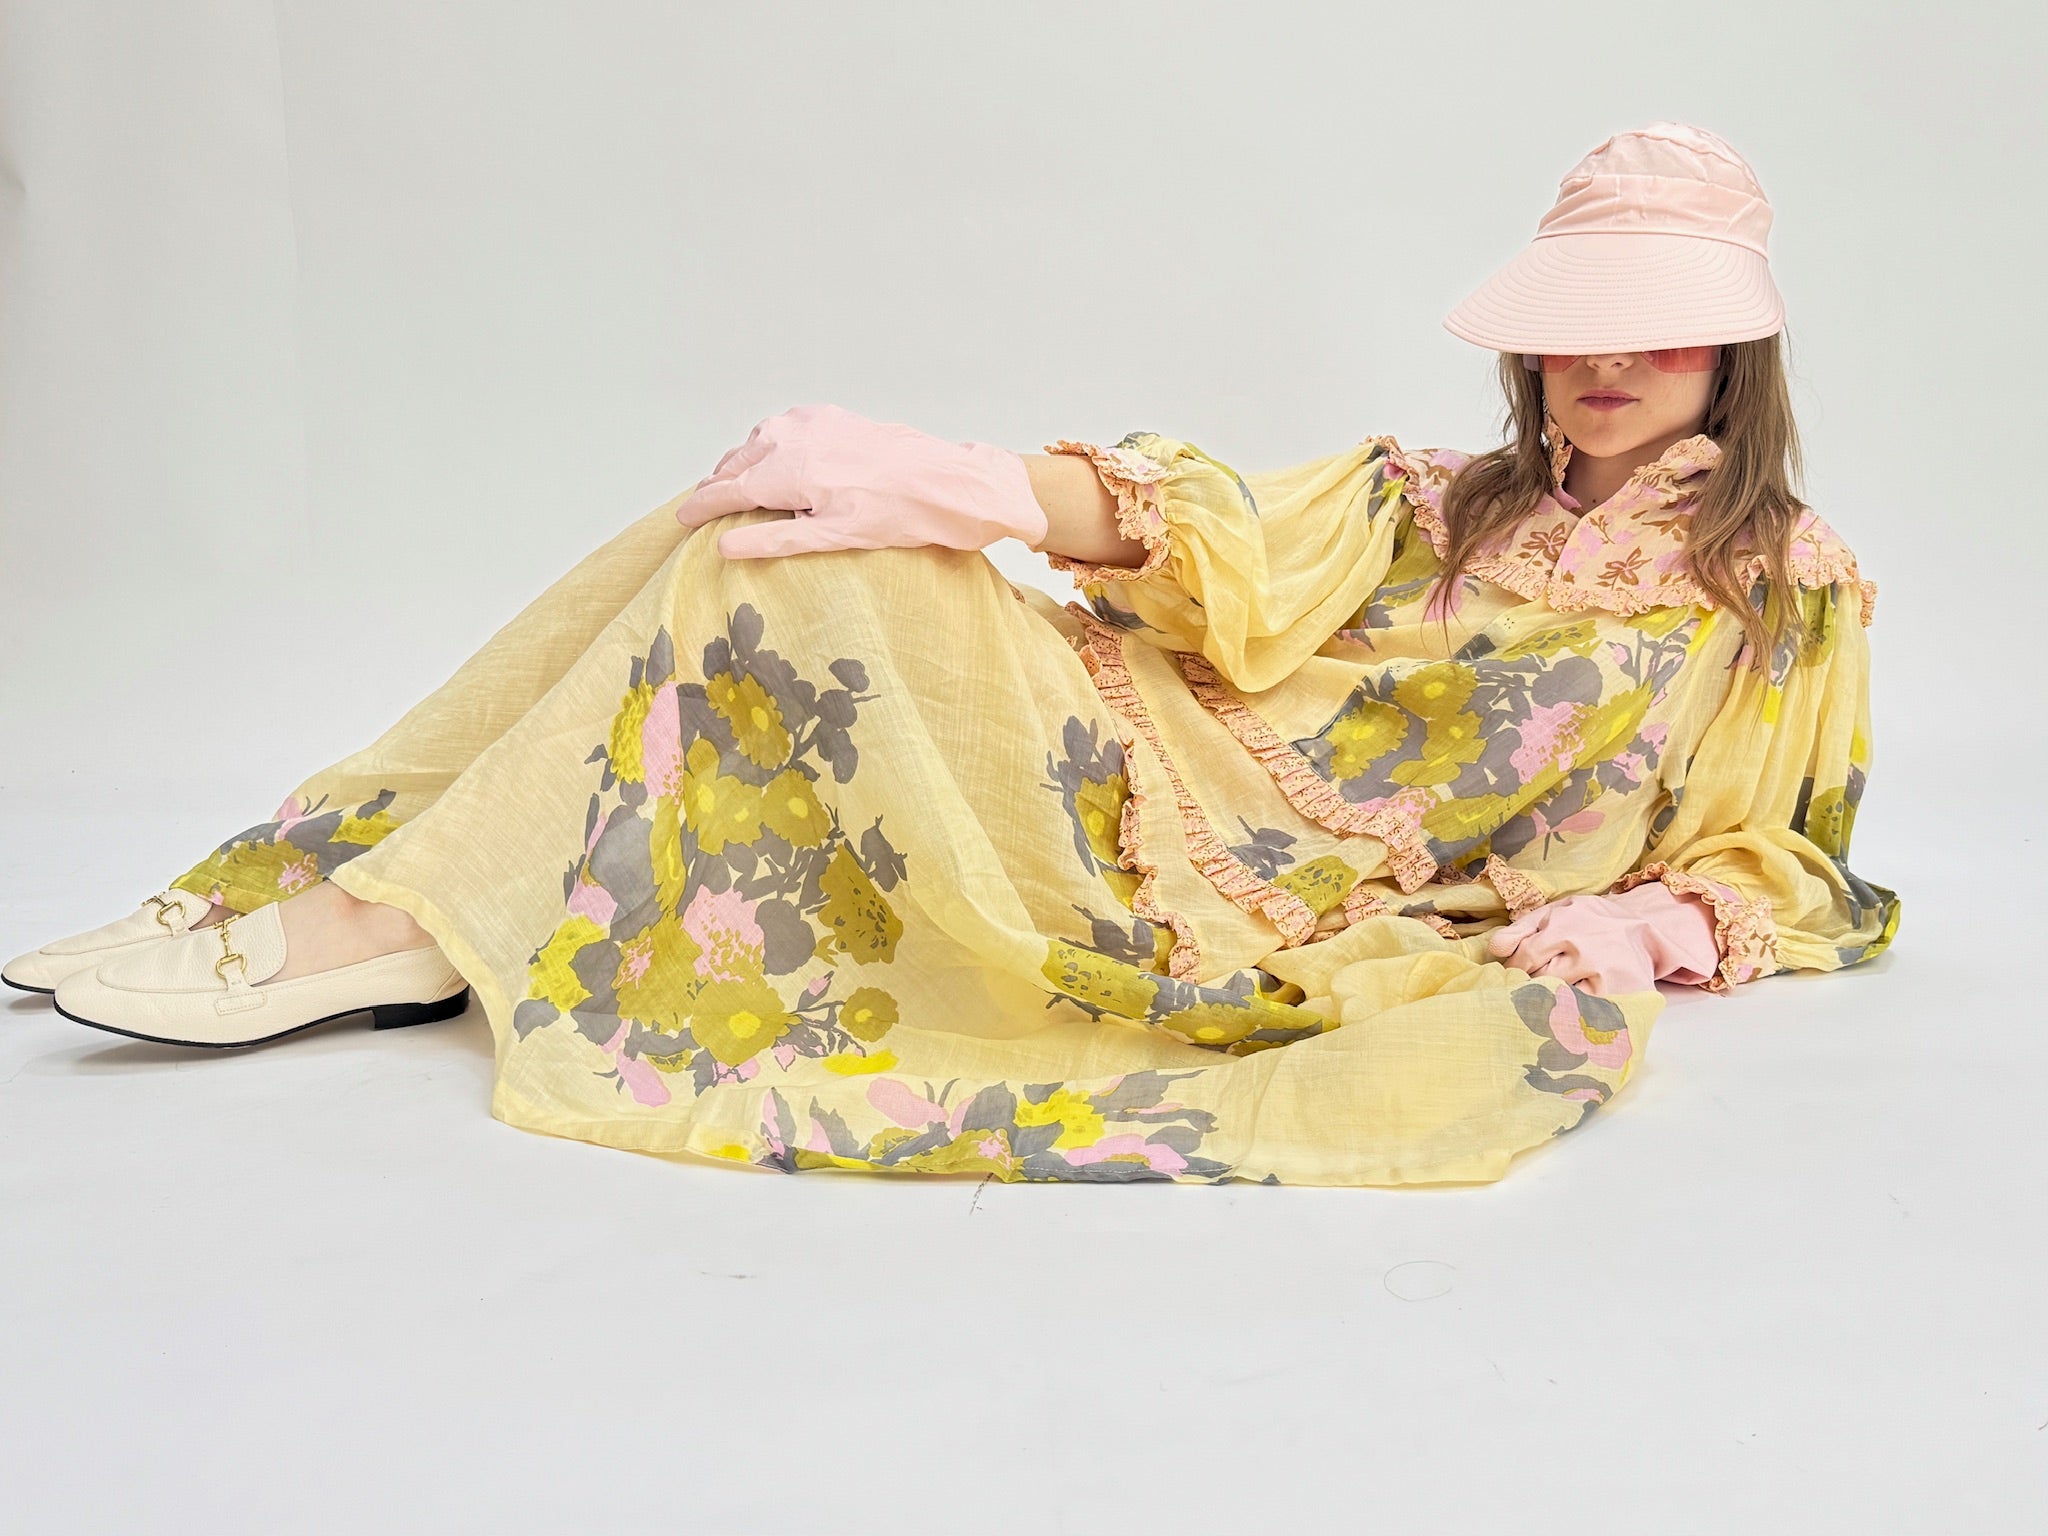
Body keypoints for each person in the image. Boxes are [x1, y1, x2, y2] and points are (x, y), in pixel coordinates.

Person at [3, 121, 1898, 1186]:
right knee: (761, 533)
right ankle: (397, 904)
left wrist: (1654, 925)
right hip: (1108, 743)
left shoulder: (1780, 589)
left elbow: (1789, 854)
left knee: (780, 571)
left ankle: (398, 921)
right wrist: (960, 479)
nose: (1605, 358)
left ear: (1738, 348)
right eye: (1580, 319)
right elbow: (1209, 533)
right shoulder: (1427, 501)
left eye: (1659, 322)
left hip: (1235, 896)